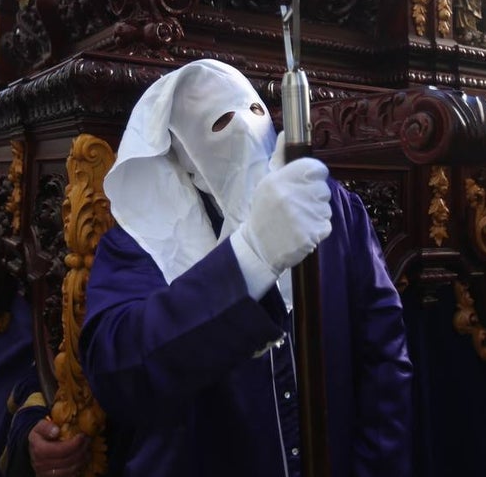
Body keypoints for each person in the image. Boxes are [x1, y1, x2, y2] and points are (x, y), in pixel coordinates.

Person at [80, 59, 412, 476]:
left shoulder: (329, 206)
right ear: (181, 155)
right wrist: (249, 257)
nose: (244, 129)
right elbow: (119, 370)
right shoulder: (143, 242)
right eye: (219, 123)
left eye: (254, 111)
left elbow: (383, 351)